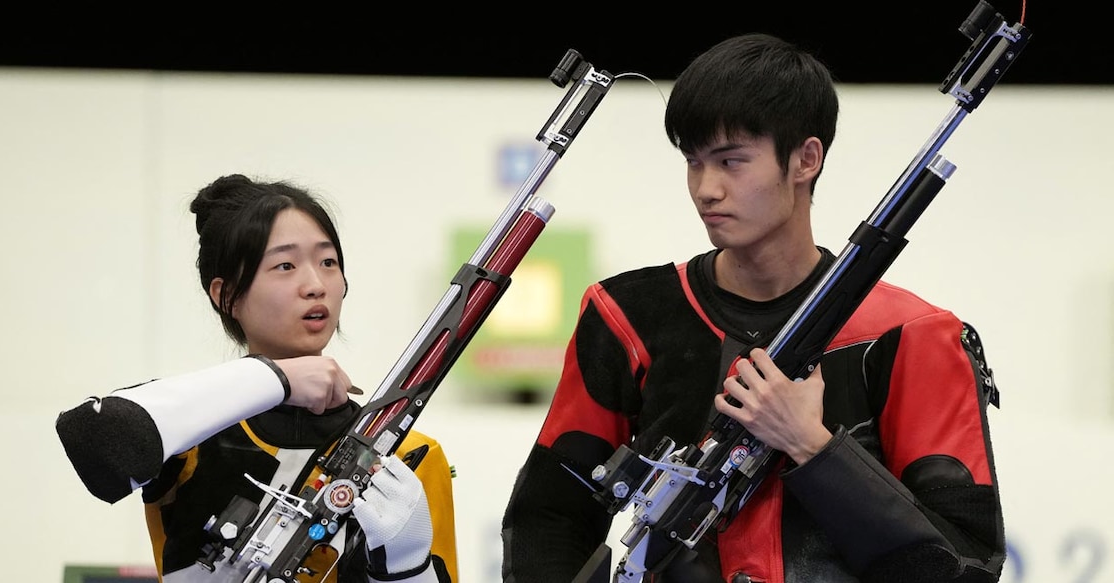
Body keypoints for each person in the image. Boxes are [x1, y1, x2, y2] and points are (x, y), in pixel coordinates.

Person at [501, 33, 1006, 583]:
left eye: (731, 161)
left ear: (805, 159)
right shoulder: (628, 316)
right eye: (693, 162)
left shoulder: (912, 334)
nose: (705, 189)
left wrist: (811, 446)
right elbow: (547, 522)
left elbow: (967, 568)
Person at [56, 174, 458, 583]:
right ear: (226, 295)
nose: (316, 285)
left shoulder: (403, 455)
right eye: (285, 265)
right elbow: (93, 436)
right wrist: (275, 378)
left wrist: (409, 568)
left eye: (328, 262)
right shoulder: (187, 437)